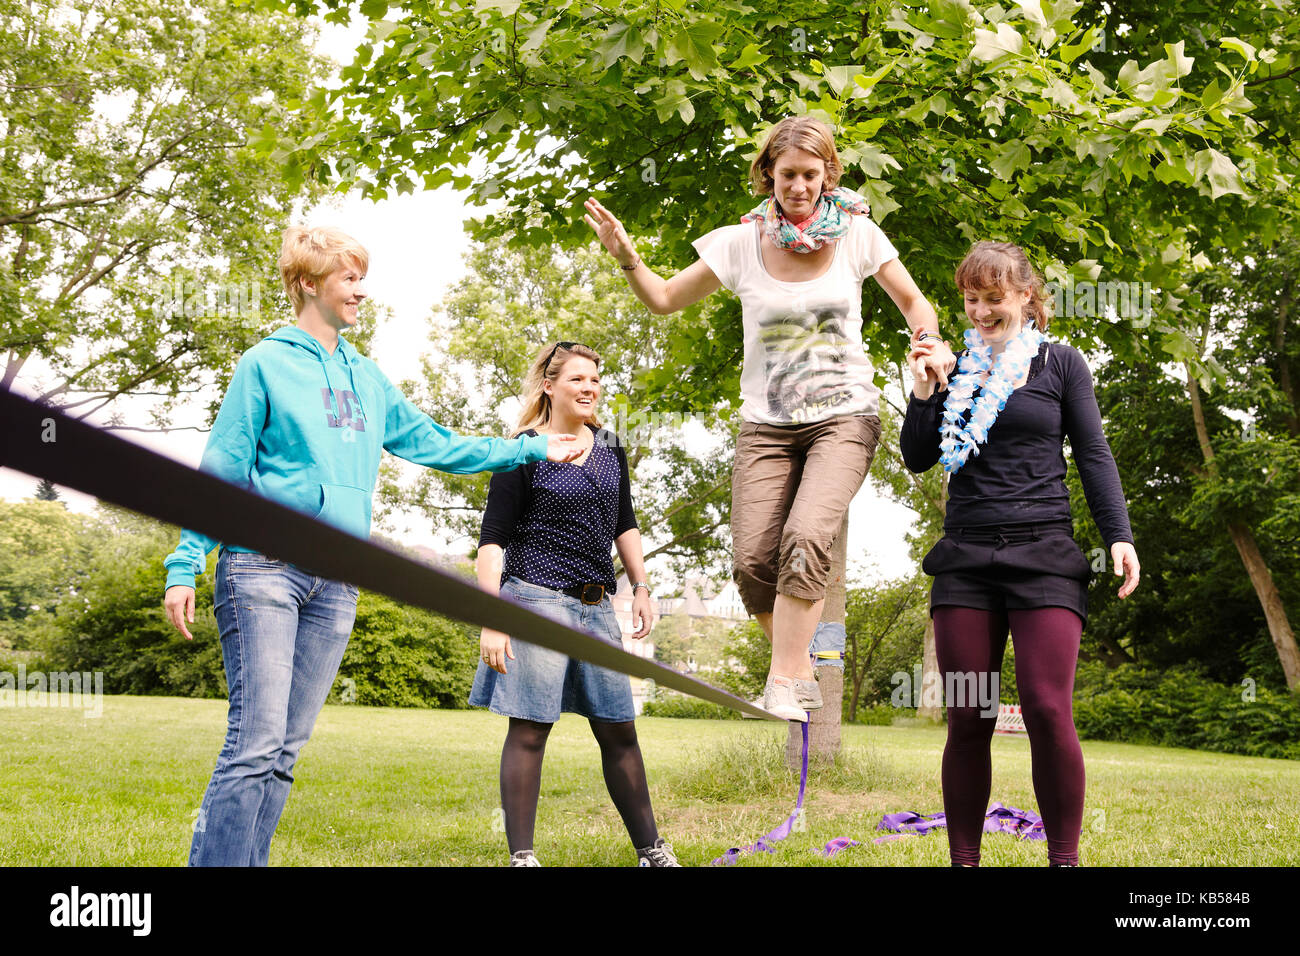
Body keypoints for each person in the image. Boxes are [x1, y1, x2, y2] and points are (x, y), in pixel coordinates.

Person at [162, 226, 581, 867]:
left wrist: (527, 446)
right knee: (255, 744)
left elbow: (437, 444)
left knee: (283, 753)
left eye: (362, 276)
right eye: (349, 277)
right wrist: (186, 562)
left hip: (337, 581)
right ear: (308, 283)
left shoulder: (367, 377)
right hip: (263, 571)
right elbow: (223, 469)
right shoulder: (265, 364)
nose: (362, 290)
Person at [584, 115, 956, 721]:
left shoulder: (860, 236)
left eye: (812, 174)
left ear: (828, 175)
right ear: (768, 175)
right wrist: (628, 258)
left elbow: (914, 300)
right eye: (788, 175)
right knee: (752, 563)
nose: (800, 187)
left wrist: (928, 339)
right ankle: (803, 666)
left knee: (805, 537)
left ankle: (783, 678)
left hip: (844, 416)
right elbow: (664, 299)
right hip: (766, 424)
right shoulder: (737, 243)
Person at [900, 241, 1141, 867]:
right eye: (971, 299)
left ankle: (1064, 860)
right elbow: (919, 456)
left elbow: (1092, 452)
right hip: (967, 560)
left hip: (1045, 556)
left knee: (1044, 705)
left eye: (994, 298)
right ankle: (964, 860)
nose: (980, 311)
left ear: (1027, 298)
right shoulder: (953, 367)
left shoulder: (1061, 364)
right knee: (970, 714)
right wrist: (926, 393)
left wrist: (1119, 534)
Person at [469, 341, 678, 867]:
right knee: (530, 729)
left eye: (595, 380)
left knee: (619, 731)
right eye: (578, 380)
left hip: (596, 606)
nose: (590, 389)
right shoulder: (523, 448)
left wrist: (641, 586)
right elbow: (492, 539)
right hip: (535, 600)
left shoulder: (610, 446)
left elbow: (624, 522)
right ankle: (523, 858)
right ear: (550, 386)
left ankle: (651, 851)